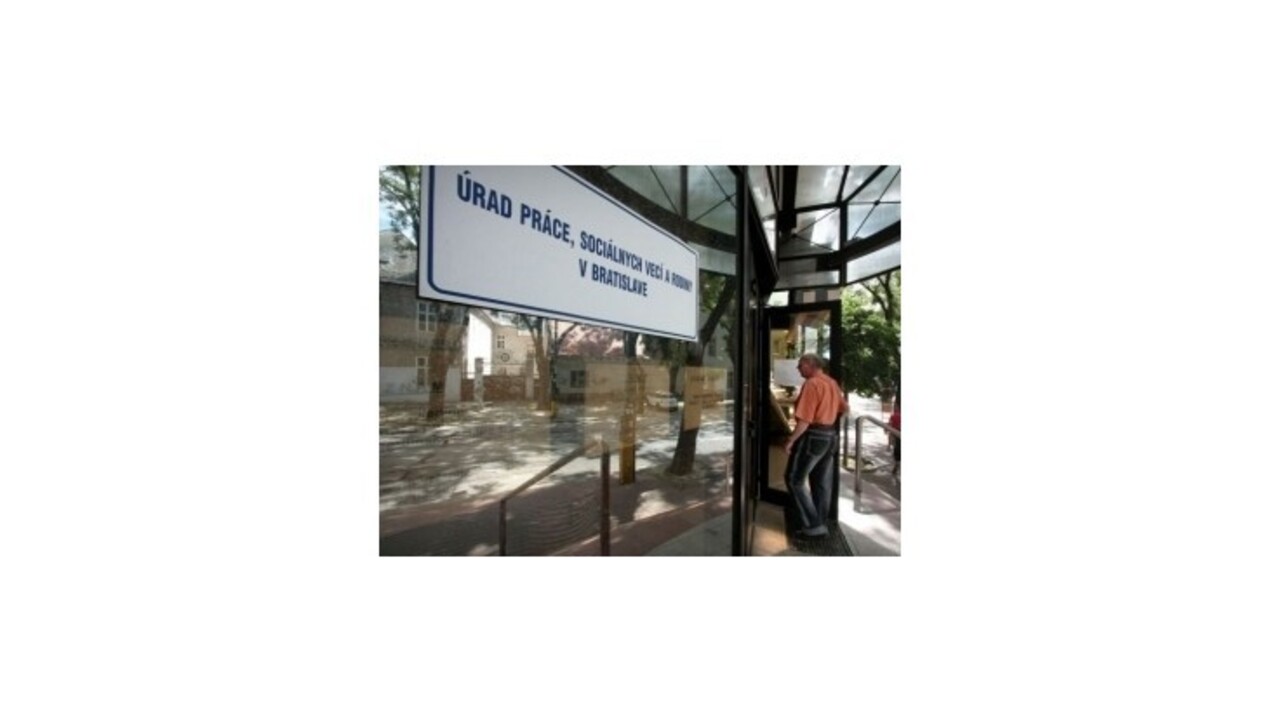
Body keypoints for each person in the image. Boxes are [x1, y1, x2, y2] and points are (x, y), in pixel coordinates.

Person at [783, 353, 850, 538]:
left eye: (800, 365)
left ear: (810, 364)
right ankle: (819, 522)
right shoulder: (831, 382)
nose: (798, 368)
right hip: (830, 436)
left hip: (814, 436)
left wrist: (790, 440)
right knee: (821, 483)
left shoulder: (812, 384)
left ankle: (813, 526)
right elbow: (845, 409)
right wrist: (829, 421)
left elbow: (805, 420)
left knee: (794, 479)